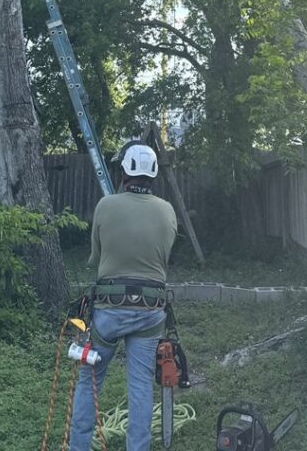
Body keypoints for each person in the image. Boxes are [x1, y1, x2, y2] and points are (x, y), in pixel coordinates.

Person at [69, 141, 177, 451]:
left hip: (109, 309)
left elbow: (96, 256)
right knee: (141, 386)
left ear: (124, 172)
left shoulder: (106, 205)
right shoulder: (167, 210)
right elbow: (164, 258)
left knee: (89, 381)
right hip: (151, 311)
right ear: (153, 174)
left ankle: (78, 447)